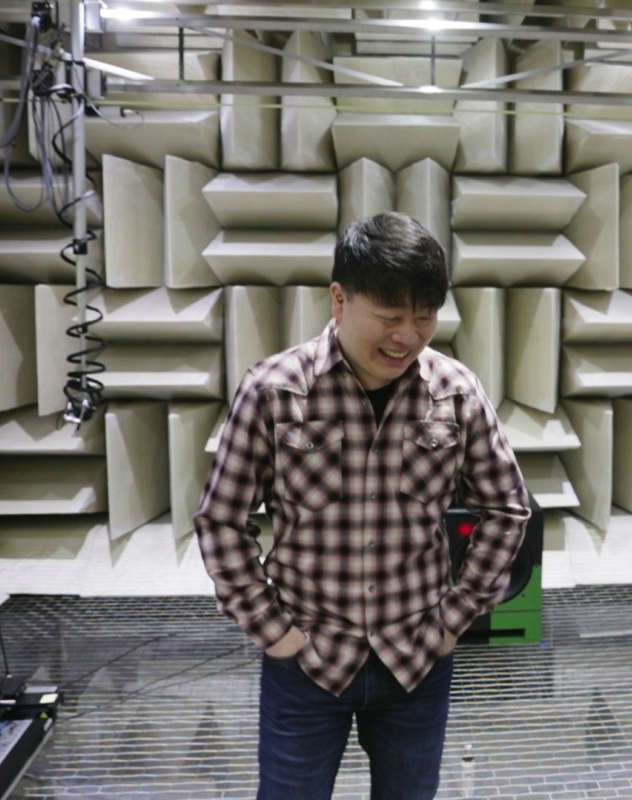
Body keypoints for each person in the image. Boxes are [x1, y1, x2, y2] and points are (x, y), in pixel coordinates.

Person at [195, 211, 530, 800]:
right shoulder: (273, 390)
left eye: (424, 316)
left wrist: (457, 617)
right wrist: (274, 632)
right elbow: (222, 520)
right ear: (339, 299)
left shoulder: (456, 391)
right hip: (306, 664)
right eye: (391, 316)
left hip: (417, 660)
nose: (409, 335)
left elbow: (507, 509)